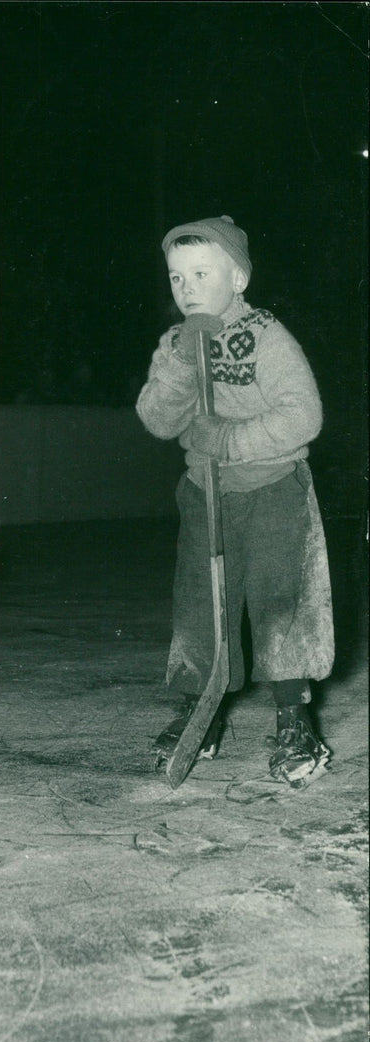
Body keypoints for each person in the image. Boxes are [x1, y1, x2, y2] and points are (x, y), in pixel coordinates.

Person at [136, 215, 334, 788]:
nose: (188, 287)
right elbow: (156, 419)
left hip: (273, 490)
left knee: (281, 602)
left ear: (239, 278)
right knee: (201, 605)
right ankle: (204, 713)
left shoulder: (266, 336)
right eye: (177, 278)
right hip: (205, 494)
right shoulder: (176, 343)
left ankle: (294, 720)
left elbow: (304, 415)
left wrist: (230, 439)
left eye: (202, 273)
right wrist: (178, 364)